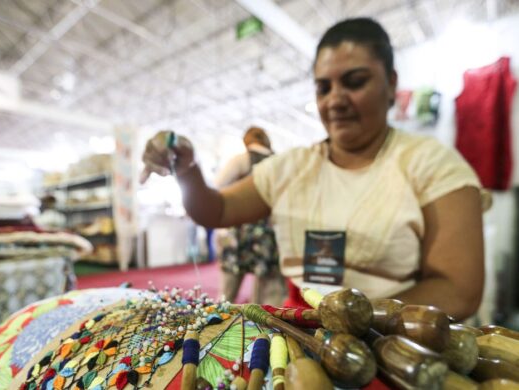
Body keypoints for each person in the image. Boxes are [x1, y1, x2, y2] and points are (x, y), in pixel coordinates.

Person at [141, 18, 485, 320]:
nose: (335, 99)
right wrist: (186, 169)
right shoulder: (291, 168)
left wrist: (355, 320)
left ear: (392, 83)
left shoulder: (434, 165)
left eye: (354, 81)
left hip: (398, 341)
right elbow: (216, 209)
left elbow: (458, 290)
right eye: (324, 87)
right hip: (303, 333)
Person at [214, 126, 286, 305]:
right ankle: (266, 331)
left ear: (246, 141)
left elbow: (217, 188)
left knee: (227, 292)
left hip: (239, 232)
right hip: (269, 234)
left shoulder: (241, 160)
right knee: (269, 295)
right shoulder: (279, 162)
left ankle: (216, 325)